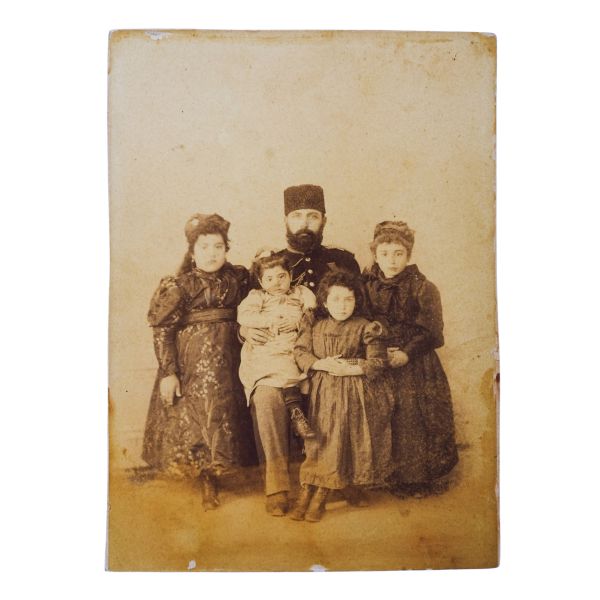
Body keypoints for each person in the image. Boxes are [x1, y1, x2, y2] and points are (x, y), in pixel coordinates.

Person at [240, 185, 361, 517]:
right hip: (275, 357)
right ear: (286, 221)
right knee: (266, 398)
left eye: (312, 216)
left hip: (326, 355)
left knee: (334, 390)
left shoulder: (342, 261)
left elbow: (359, 310)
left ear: (324, 220)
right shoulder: (270, 264)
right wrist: (244, 330)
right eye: (297, 216)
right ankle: (277, 487)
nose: (305, 223)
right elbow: (250, 310)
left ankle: (332, 478)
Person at [142, 213, 256, 510]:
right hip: (194, 361)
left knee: (228, 412)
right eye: (204, 247)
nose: (211, 254)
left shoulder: (238, 279)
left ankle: (226, 468)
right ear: (192, 252)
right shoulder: (180, 285)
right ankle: (207, 478)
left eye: (218, 246)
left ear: (227, 249)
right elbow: (163, 330)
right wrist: (169, 372)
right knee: (201, 414)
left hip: (232, 356)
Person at [362, 221, 459, 497]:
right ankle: (388, 476)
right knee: (384, 414)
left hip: (416, 362)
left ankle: (417, 479)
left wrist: (406, 353)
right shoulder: (367, 286)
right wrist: (378, 351)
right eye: (384, 254)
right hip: (380, 358)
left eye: (398, 254)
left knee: (413, 418)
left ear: (409, 255)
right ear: (375, 254)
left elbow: (432, 331)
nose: (391, 261)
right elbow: (361, 321)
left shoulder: (423, 287)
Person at [290, 271, 394, 522]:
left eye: (349, 299)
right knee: (320, 439)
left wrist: (351, 368)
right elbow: (301, 352)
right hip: (322, 391)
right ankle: (310, 490)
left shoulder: (365, 327)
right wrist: (321, 364)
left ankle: (319, 495)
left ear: (356, 301)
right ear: (325, 302)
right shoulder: (315, 325)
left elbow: (378, 362)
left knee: (338, 437)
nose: (343, 305)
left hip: (354, 393)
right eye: (336, 299)